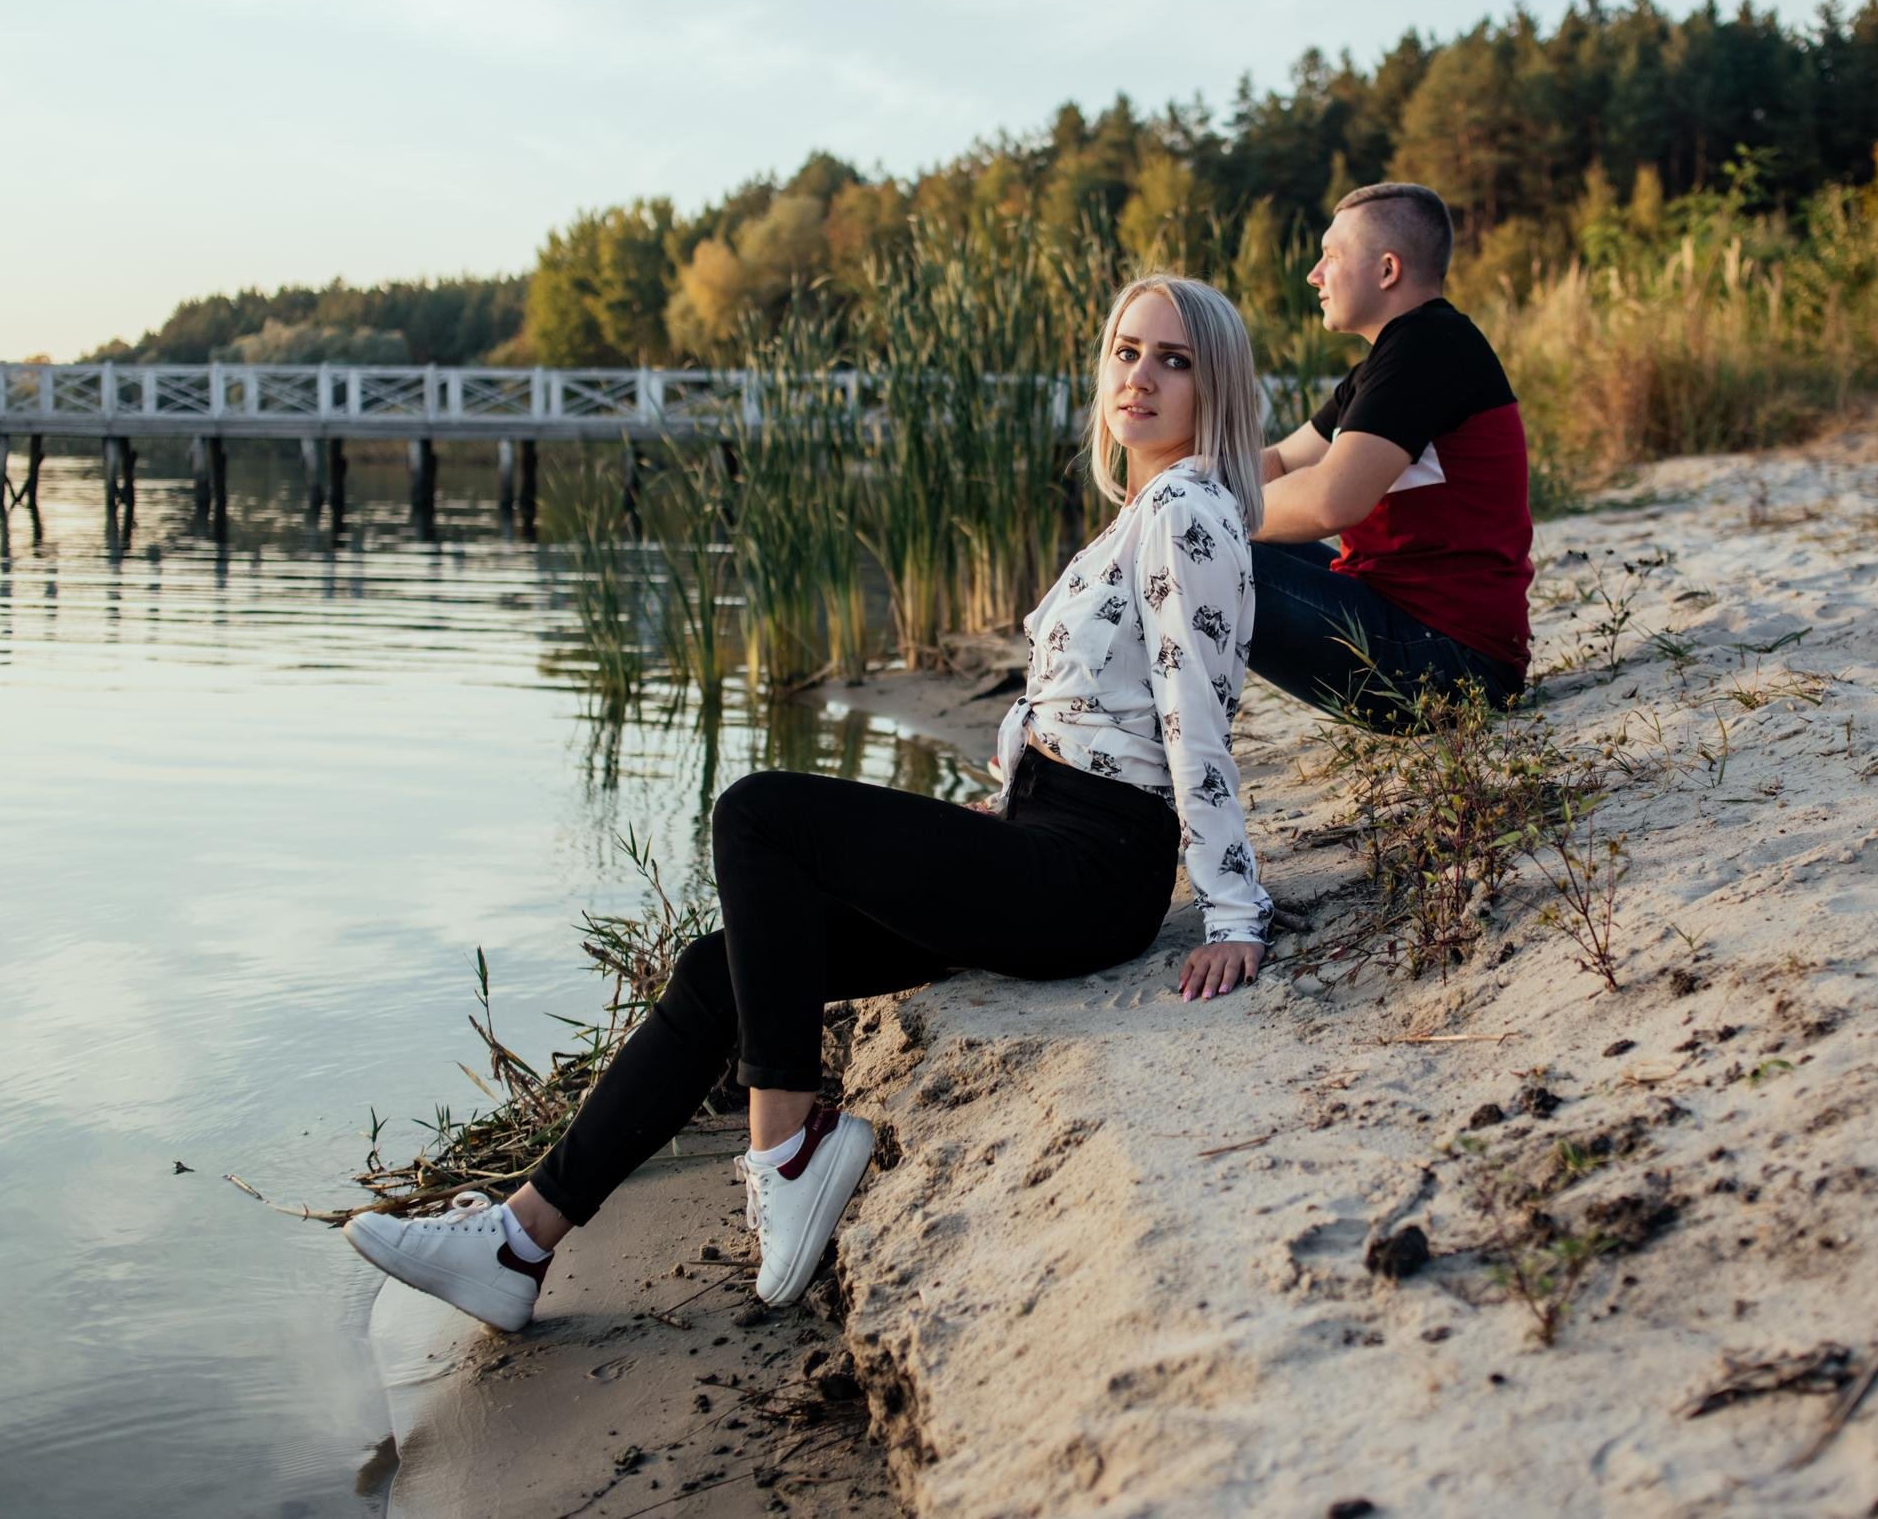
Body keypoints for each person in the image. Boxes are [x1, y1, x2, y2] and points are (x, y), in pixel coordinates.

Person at [343, 276, 1274, 1331]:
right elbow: (1079, 711)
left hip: (1092, 873)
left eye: (1173, 359)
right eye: (1124, 351)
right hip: (1045, 843)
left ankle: (785, 1150)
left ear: (1217, 386)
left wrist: (1232, 909)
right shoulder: (1135, 517)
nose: (1138, 377)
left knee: (758, 813)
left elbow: (1197, 713)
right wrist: (995, 813)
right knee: (719, 966)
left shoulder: (1186, 509)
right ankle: (516, 1241)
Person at [1249, 182, 1534, 727]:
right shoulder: (1389, 361)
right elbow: (1282, 462)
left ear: (1386, 271)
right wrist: (1176, 483)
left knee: (1196, 556)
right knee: (1187, 538)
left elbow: (1333, 501)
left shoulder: (1428, 348)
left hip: (1454, 663)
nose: (1314, 274)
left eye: (1331, 256)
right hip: (1411, 630)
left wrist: (1200, 518)